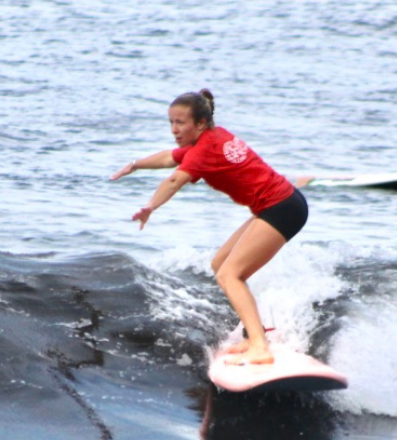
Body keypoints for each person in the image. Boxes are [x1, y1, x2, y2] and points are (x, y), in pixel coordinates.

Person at [110, 89, 308, 366]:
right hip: (281, 203)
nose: (174, 129)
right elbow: (170, 157)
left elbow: (173, 181)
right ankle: (254, 335)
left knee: (230, 275)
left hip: (282, 208)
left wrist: (151, 207)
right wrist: (135, 165)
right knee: (221, 264)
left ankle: (260, 348)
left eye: (180, 123)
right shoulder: (213, 136)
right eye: (171, 122)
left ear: (200, 123)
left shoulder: (205, 150)